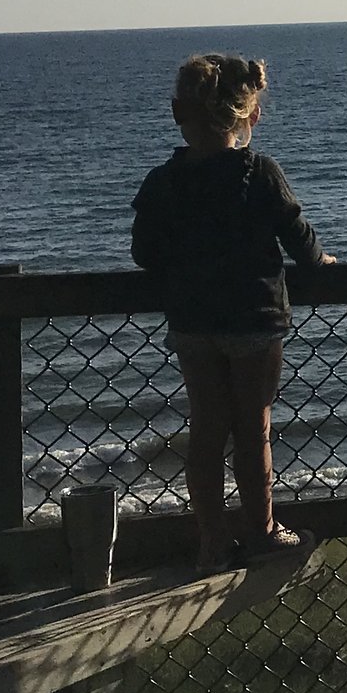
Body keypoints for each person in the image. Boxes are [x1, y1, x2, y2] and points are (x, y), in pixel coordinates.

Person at [131, 54, 331, 576]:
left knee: (206, 432)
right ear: (251, 114)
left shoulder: (163, 182)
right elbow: (296, 233)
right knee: (253, 429)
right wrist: (319, 262)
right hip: (255, 320)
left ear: (178, 112)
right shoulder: (257, 171)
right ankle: (262, 530)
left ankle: (213, 543)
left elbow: (145, 254)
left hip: (194, 325)